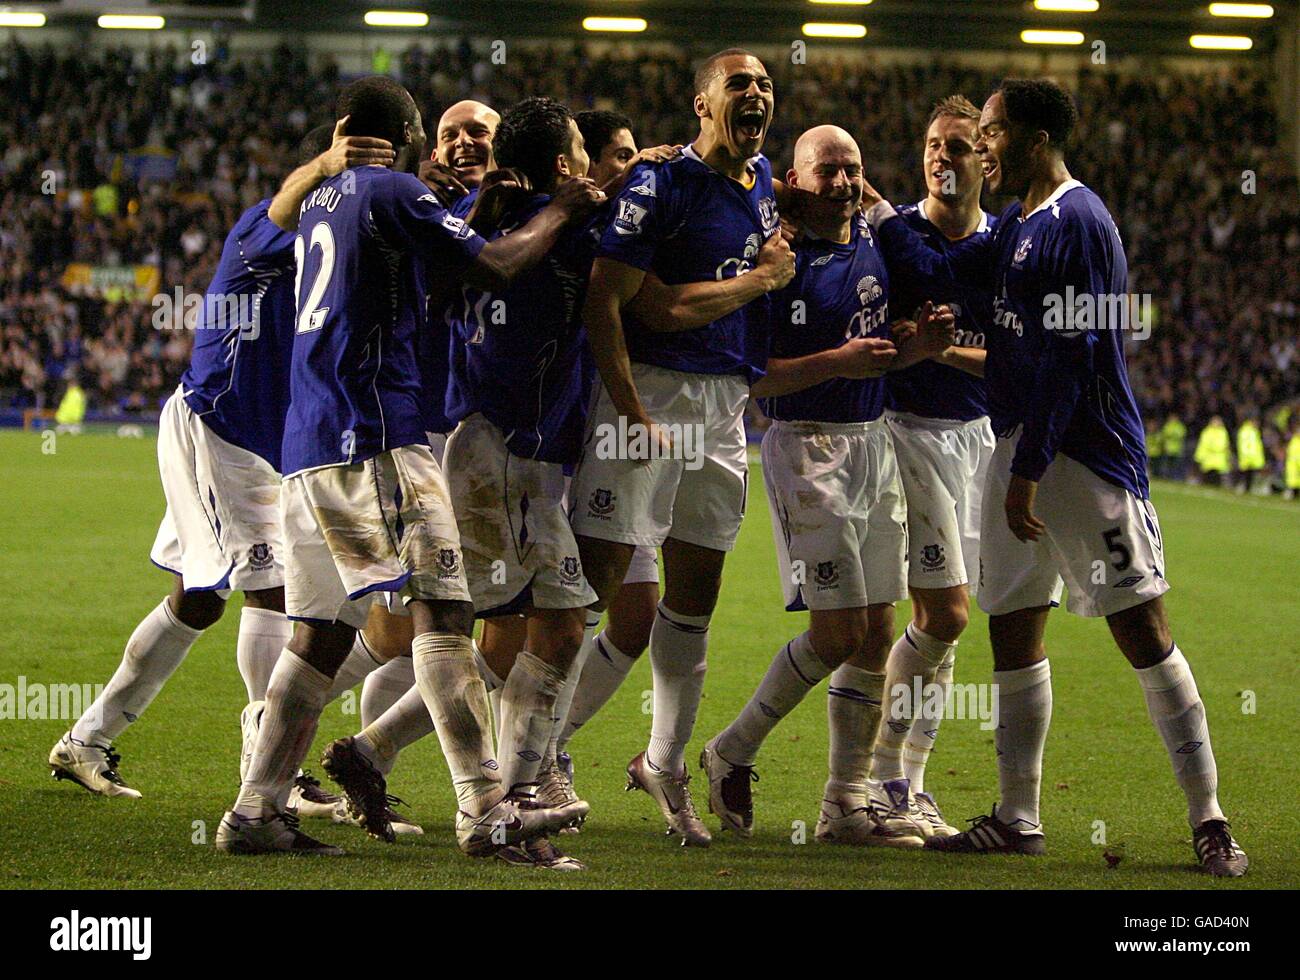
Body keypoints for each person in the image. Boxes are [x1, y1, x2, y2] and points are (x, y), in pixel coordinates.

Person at [862, 77, 1247, 875]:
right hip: (1017, 450)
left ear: (1034, 140)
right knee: (1012, 625)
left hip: (1082, 457)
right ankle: (1018, 814)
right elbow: (970, 293)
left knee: (1141, 628)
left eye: (993, 132)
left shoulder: (1080, 220)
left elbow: (1072, 358)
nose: (982, 146)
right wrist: (880, 216)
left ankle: (1209, 819)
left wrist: (1028, 471)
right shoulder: (1021, 226)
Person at [215, 76, 603, 857]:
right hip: (377, 432)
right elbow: (492, 268)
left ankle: (254, 812)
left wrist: (476, 211)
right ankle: (484, 807)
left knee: (320, 637)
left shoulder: (325, 201)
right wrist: (563, 210)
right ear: (404, 135)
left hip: (308, 445)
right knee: (446, 612)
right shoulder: (394, 189)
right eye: (428, 133)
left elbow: (414, 268)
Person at [50, 123, 392, 810]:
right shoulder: (269, 235)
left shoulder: (352, 261)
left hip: (273, 444)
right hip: (219, 425)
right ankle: (267, 770)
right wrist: (321, 162)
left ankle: (84, 741)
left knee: (201, 599)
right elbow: (279, 207)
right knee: (272, 591)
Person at [695, 125, 954, 845]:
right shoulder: (773, 259)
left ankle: (846, 803)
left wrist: (917, 350)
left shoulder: (872, 236)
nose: (843, 183)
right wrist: (838, 360)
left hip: (875, 447)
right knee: (837, 631)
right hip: (804, 450)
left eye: (854, 170)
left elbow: (874, 358)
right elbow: (755, 377)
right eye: (828, 172)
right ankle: (730, 750)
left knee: (875, 631)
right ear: (795, 182)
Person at [569, 49, 789, 846]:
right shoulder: (659, 182)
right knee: (587, 597)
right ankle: (534, 761)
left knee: (691, 600)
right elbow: (627, 305)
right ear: (703, 103)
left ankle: (663, 763)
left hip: (723, 409)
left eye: (765, 84)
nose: (757, 94)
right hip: (649, 398)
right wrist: (758, 283)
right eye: (740, 85)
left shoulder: (762, 185)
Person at [872, 95, 998, 838]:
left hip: (976, 441)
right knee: (942, 613)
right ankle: (887, 775)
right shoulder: (892, 236)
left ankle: (907, 785)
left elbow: (1011, 362)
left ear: (984, 158)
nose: (941, 158)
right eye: (932, 145)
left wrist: (944, 348)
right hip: (904, 435)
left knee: (949, 624)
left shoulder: (1004, 245)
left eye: (957, 146)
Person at [1194, 415, 1231, 487]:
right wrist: (1199, 456)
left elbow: (1226, 444)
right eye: (1215, 421)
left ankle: (1216, 486)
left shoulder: (1223, 432)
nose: (1217, 423)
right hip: (1208, 457)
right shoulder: (1207, 431)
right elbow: (1203, 444)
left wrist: (1227, 455)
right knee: (1207, 474)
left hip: (1219, 457)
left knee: (1217, 476)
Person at [1235, 414, 1265, 494]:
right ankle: (1241, 486)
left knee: (1250, 473)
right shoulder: (1247, 431)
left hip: (1252, 456)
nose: (1257, 424)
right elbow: (1246, 444)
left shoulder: (1253, 431)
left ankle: (1248, 487)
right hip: (1248, 456)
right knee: (1245, 472)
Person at [1160, 413, 1187, 481]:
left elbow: (1181, 434)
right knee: (1167, 464)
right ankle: (1166, 477)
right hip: (1168, 448)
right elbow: (1164, 434)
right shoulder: (1167, 425)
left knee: (1175, 465)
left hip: (1177, 449)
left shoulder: (1179, 426)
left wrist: (1171, 435)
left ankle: (1174, 477)